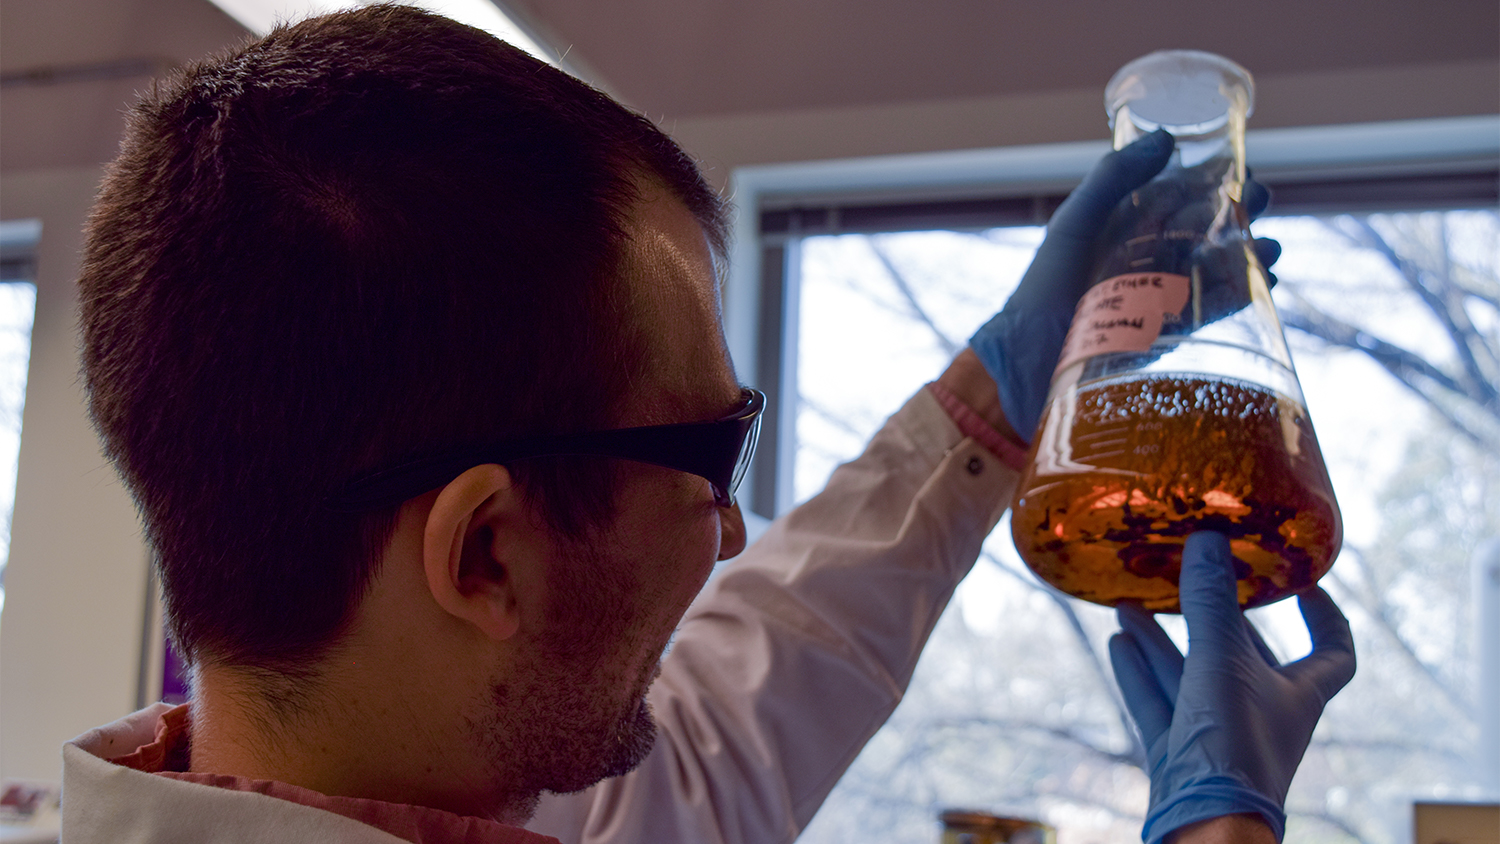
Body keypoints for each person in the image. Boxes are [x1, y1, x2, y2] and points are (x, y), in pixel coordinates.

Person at [62, 6, 1354, 843]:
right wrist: (1219, 834)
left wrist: (1001, 399)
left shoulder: (521, 768)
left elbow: (764, 671)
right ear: (484, 556)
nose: (730, 533)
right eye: (704, 456)